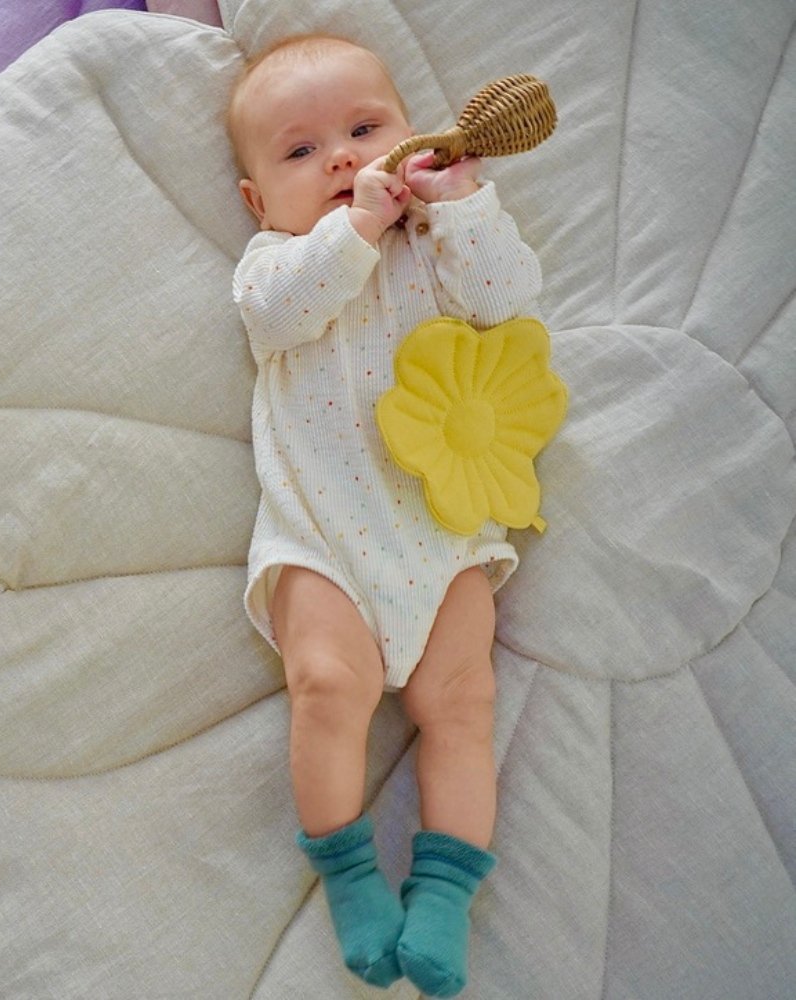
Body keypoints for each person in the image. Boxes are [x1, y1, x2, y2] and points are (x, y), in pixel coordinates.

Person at [226, 33, 543, 997]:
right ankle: (350, 872)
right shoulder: (273, 263)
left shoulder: (437, 252)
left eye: (366, 130)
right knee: (326, 686)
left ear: (412, 139)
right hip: (320, 536)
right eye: (300, 151)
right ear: (256, 199)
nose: (342, 159)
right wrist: (352, 230)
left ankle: (445, 893)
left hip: (440, 531)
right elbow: (286, 318)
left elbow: (509, 299)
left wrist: (465, 209)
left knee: (464, 704)